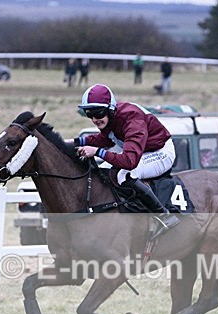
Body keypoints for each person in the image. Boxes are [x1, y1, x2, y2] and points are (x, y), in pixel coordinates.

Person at [75, 84, 179, 237]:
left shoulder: (132, 119)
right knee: (102, 171)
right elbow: (107, 140)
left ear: (110, 109)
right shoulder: (112, 118)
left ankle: (164, 216)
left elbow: (129, 161)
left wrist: (96, 152)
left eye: (98, 113)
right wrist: (75, 141)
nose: (94, 119)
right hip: (142, 152)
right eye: (89, 113)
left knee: (124, 174)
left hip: (161, 152)